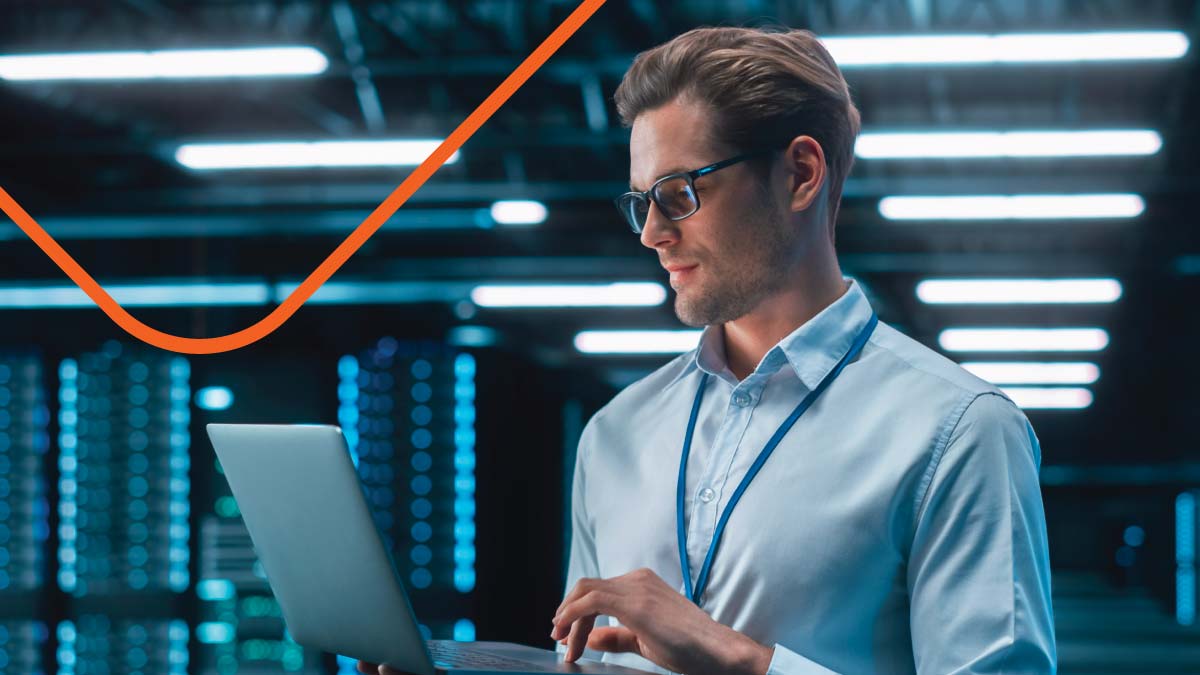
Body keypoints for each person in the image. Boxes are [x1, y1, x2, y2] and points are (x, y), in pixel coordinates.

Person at [362, 24, 1056, 675]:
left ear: (801, 175)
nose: (652, 234)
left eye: (679, 193)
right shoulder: (617, 434)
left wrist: (743, 661)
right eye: (642, 202)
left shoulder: (959, 430)